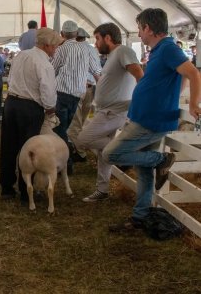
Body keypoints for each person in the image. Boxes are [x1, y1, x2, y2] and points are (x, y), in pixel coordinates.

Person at [103, 8, 201, 231]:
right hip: (149, 116)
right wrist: (173, 96)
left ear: (148, 28)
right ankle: (141, 215)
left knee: (111, 153)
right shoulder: (159, 50)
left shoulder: (167, 48)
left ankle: (159, 159)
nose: (139, 33)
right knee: (145, 171)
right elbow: (180, 75)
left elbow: (193, 73)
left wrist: (193, 104)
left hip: (150, 120)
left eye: (139, 28)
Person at [74, 23, 143, 202]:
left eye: (97, 38)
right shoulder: (114, 55)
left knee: (82, 139)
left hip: (113, 112)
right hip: (107, 111)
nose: (95, 43)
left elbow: (139, 74)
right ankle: (102, 189)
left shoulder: (122, 52)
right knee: (103, 153)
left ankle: (117, 147)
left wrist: (140, 101)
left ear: (108, 38)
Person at [0, 28, 62, 203]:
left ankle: (6, 187)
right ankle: (27, 191)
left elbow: (11, 78)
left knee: (8, 147)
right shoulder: (44, 63)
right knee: (30, 149)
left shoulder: (21, 55)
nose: (55, 49)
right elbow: (47, 91)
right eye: (55, 46)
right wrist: (50, 109)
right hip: (29, 108)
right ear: (48, 45)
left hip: (11, 103)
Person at [52, 20, 101, 174]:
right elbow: (96, 71)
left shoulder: (61, 49)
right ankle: (69, 158)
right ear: (77, 33)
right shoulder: (87, 49)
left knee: (60, 129)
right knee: (68, 126)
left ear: (62, 34)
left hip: (61, 93)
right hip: (78, 94)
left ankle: (66, 164)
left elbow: (53, 69)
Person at [67, 27, 102, 162]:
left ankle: (79, 152)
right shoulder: (92, 50)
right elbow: (97, 70)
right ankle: (79, 148)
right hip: (90, 88)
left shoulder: (72, 49)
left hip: (77, 88)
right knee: (82, 120)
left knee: (75, 122)